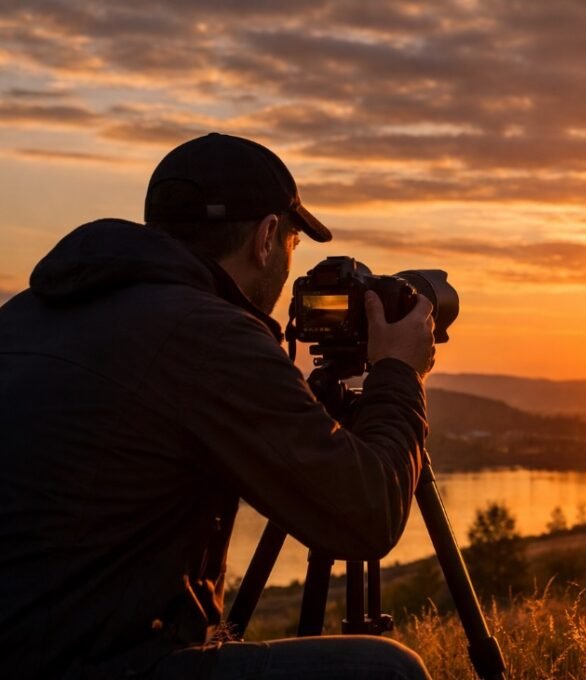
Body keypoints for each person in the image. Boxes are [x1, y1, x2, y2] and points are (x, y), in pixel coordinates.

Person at [0, 133, 435, 679]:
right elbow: (368, 514)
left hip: (42, 645)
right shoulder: (203, 332)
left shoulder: (26, 313)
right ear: (267, 236)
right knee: (384, 671)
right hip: (94, 664)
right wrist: (398, 373)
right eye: (295, 243)